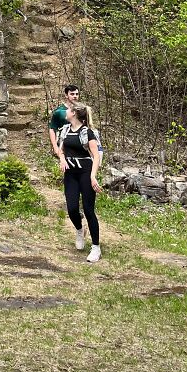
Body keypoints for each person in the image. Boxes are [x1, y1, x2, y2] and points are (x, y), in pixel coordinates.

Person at [57, 102, 103, 263]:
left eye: (68, 110)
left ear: (74, 114)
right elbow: (60, 150)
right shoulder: (65, 130)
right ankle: (79, 229)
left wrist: (93, 176)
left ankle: (96, 248)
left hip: (85, 173)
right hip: (70, 174)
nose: (66, 111)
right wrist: (62, 159)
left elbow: (96, 156)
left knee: (89, 210)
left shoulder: (87, 133)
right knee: (71, 209)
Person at [49, 84, 80, 157]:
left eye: (76, 94)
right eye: (72, 94)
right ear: (66, 95)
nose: (75, 96)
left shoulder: (82, 110)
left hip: (79, 146)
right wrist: (55, 147)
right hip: (64, 146)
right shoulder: (59, 112)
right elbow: (52, 129)